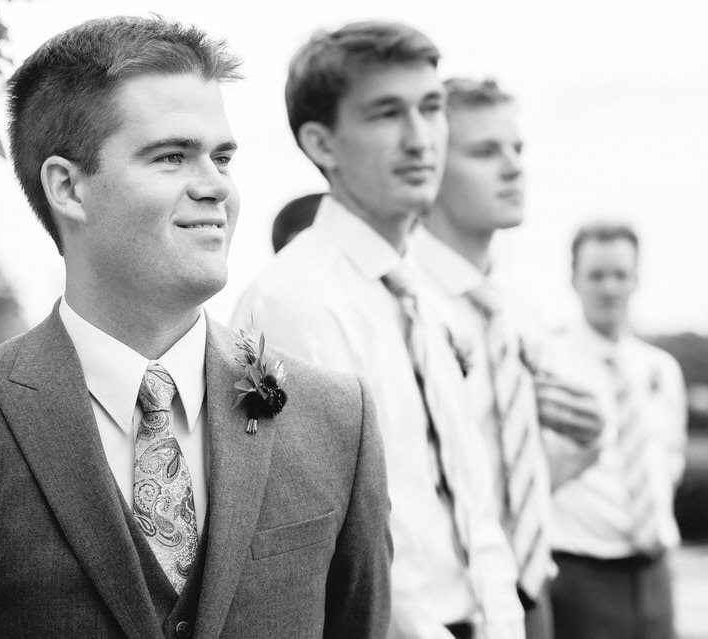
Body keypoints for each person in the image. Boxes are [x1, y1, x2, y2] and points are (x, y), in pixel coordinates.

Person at [0, 16, 392, 638]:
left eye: (222, 157)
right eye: (172, 156)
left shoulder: (339, 420)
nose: (215, 188)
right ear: (68, 187)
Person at [233, 22, 524, 639]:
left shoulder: (428, 294)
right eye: (387, 114)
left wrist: (504, 619)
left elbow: (473, 493)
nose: (421, 139)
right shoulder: (297, 303)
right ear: (323, 142)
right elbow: (329, 533)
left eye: (432, 108)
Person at [409, 78, 604, 639]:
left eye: (517, 149)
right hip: (440, 607)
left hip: (529, 591)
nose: (514, 167)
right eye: (486, 151)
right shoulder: (401, 302)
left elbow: (514, 474)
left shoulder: (519, 310)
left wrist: (584, 445)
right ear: (430, 166)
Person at [546, 221, 687, 639]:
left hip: (655, 573)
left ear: (637, 279)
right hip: (581, 573)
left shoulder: (661, 369)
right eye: (596, 275)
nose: (609, 288)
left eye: (620, 275)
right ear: (574, 279)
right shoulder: (548, 364)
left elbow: (671, 460)